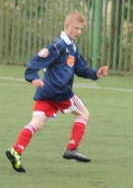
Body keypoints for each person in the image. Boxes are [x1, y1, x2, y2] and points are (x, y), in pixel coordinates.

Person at [5, 12, 109, 172]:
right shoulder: (59, 46)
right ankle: (71, 148)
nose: (79, 32)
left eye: (81, 29)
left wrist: (96, 74)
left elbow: (80, 69)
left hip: (46, 92)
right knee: (83, 114)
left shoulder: (72, 47)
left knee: (37, 123)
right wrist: (32, 77)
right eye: (76, 28)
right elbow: (36, 60)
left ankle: (16, 151)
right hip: (59, 91)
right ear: (66, 26)